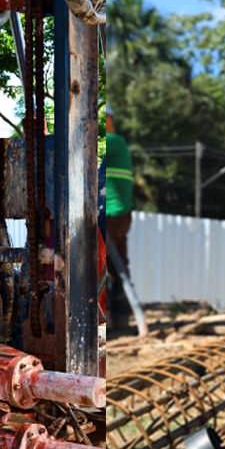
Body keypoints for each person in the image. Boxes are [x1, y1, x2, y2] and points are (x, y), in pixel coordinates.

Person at [104, 105, 134, 330]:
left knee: (96, 260)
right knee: (118, 265)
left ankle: (109, 316)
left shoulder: (114, 141)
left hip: (113, 213)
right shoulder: (116, 143)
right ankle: (121, 318)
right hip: (120, 214)